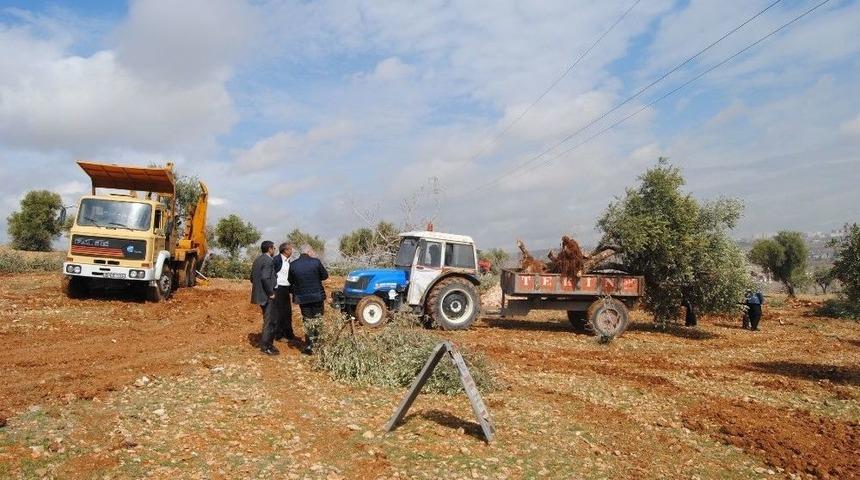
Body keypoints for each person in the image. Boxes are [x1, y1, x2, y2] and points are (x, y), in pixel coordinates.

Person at [288, 244, 329, 355]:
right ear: (309, 251)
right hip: (317, 297)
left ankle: (309, 345)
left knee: (307, 320)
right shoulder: (316, 262)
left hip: (302, 298)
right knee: (318, 319)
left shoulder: (293, 265)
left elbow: (290, 280)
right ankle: (318, 344)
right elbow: (325, 276)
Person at [251, 240, 278, 355]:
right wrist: (270, 292)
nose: (274, 250)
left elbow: (252, 278)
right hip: (267, 296)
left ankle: (267, 344)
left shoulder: (257, 260)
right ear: (270, 249)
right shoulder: (268, 261)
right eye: (274, 248)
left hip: (260, 295)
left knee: (267, 320)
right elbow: (265, 278)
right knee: (269, 321)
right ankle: (266, 346)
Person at [272, 242, 296, 341]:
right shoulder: (276, 260)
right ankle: (279, 334)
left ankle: (288, 334)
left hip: (286, 289)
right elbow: (272, 274)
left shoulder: (288, 261)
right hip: (278, 289)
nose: (292, 251)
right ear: (285, 251)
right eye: (290, 249)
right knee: (279, 312)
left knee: (287, 312)